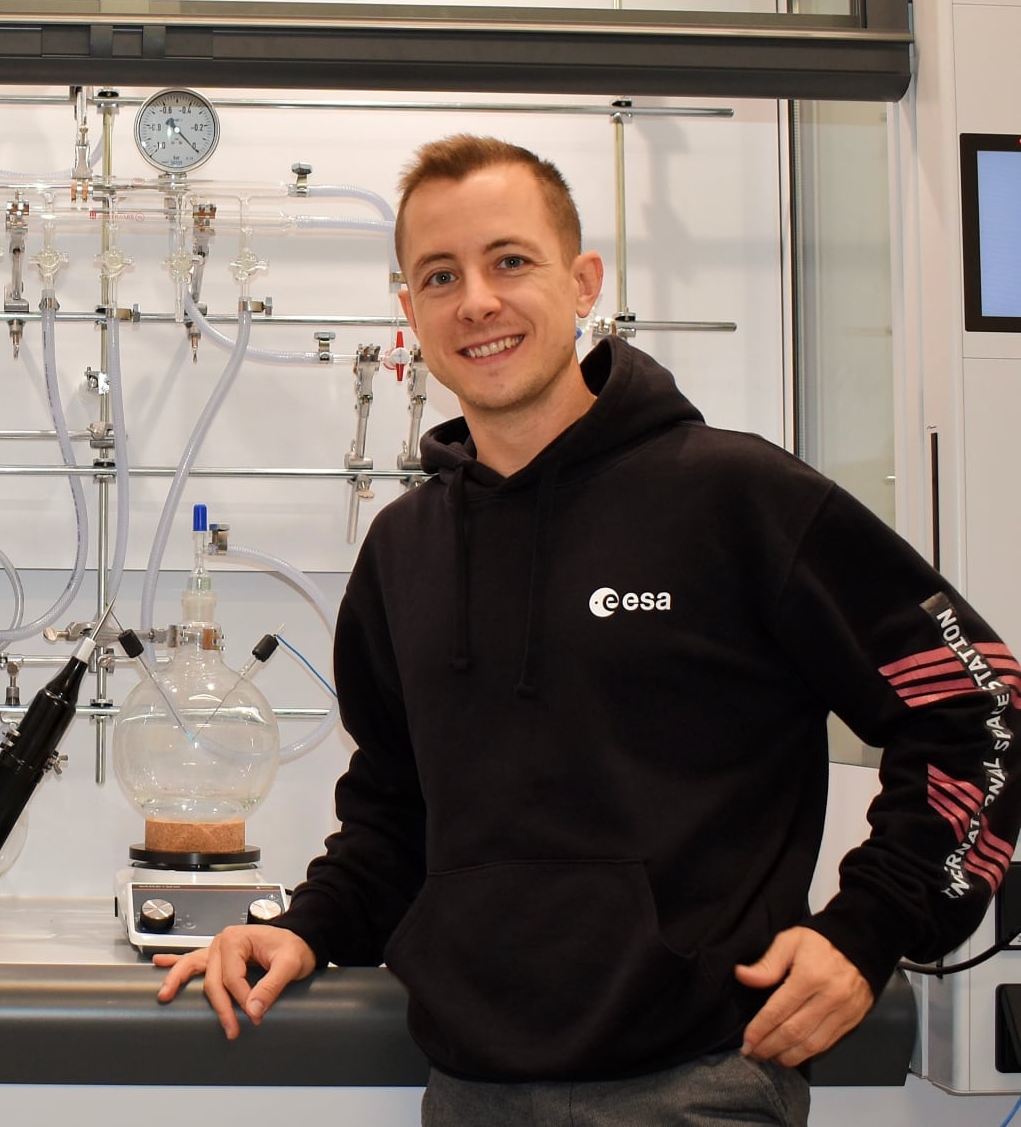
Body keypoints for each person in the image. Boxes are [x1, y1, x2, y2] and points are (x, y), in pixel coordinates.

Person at [157, 134, 1021, 1125]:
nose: (475, 299)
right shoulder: (405, 550)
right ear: (410, 312)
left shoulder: (737, 497)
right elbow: (398, 813)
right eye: (440, 275)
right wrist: (307, 926)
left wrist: (870, 928)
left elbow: (982, 698)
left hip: (698, 1084)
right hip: (472, 1090)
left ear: (582, 282)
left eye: (509, 261)